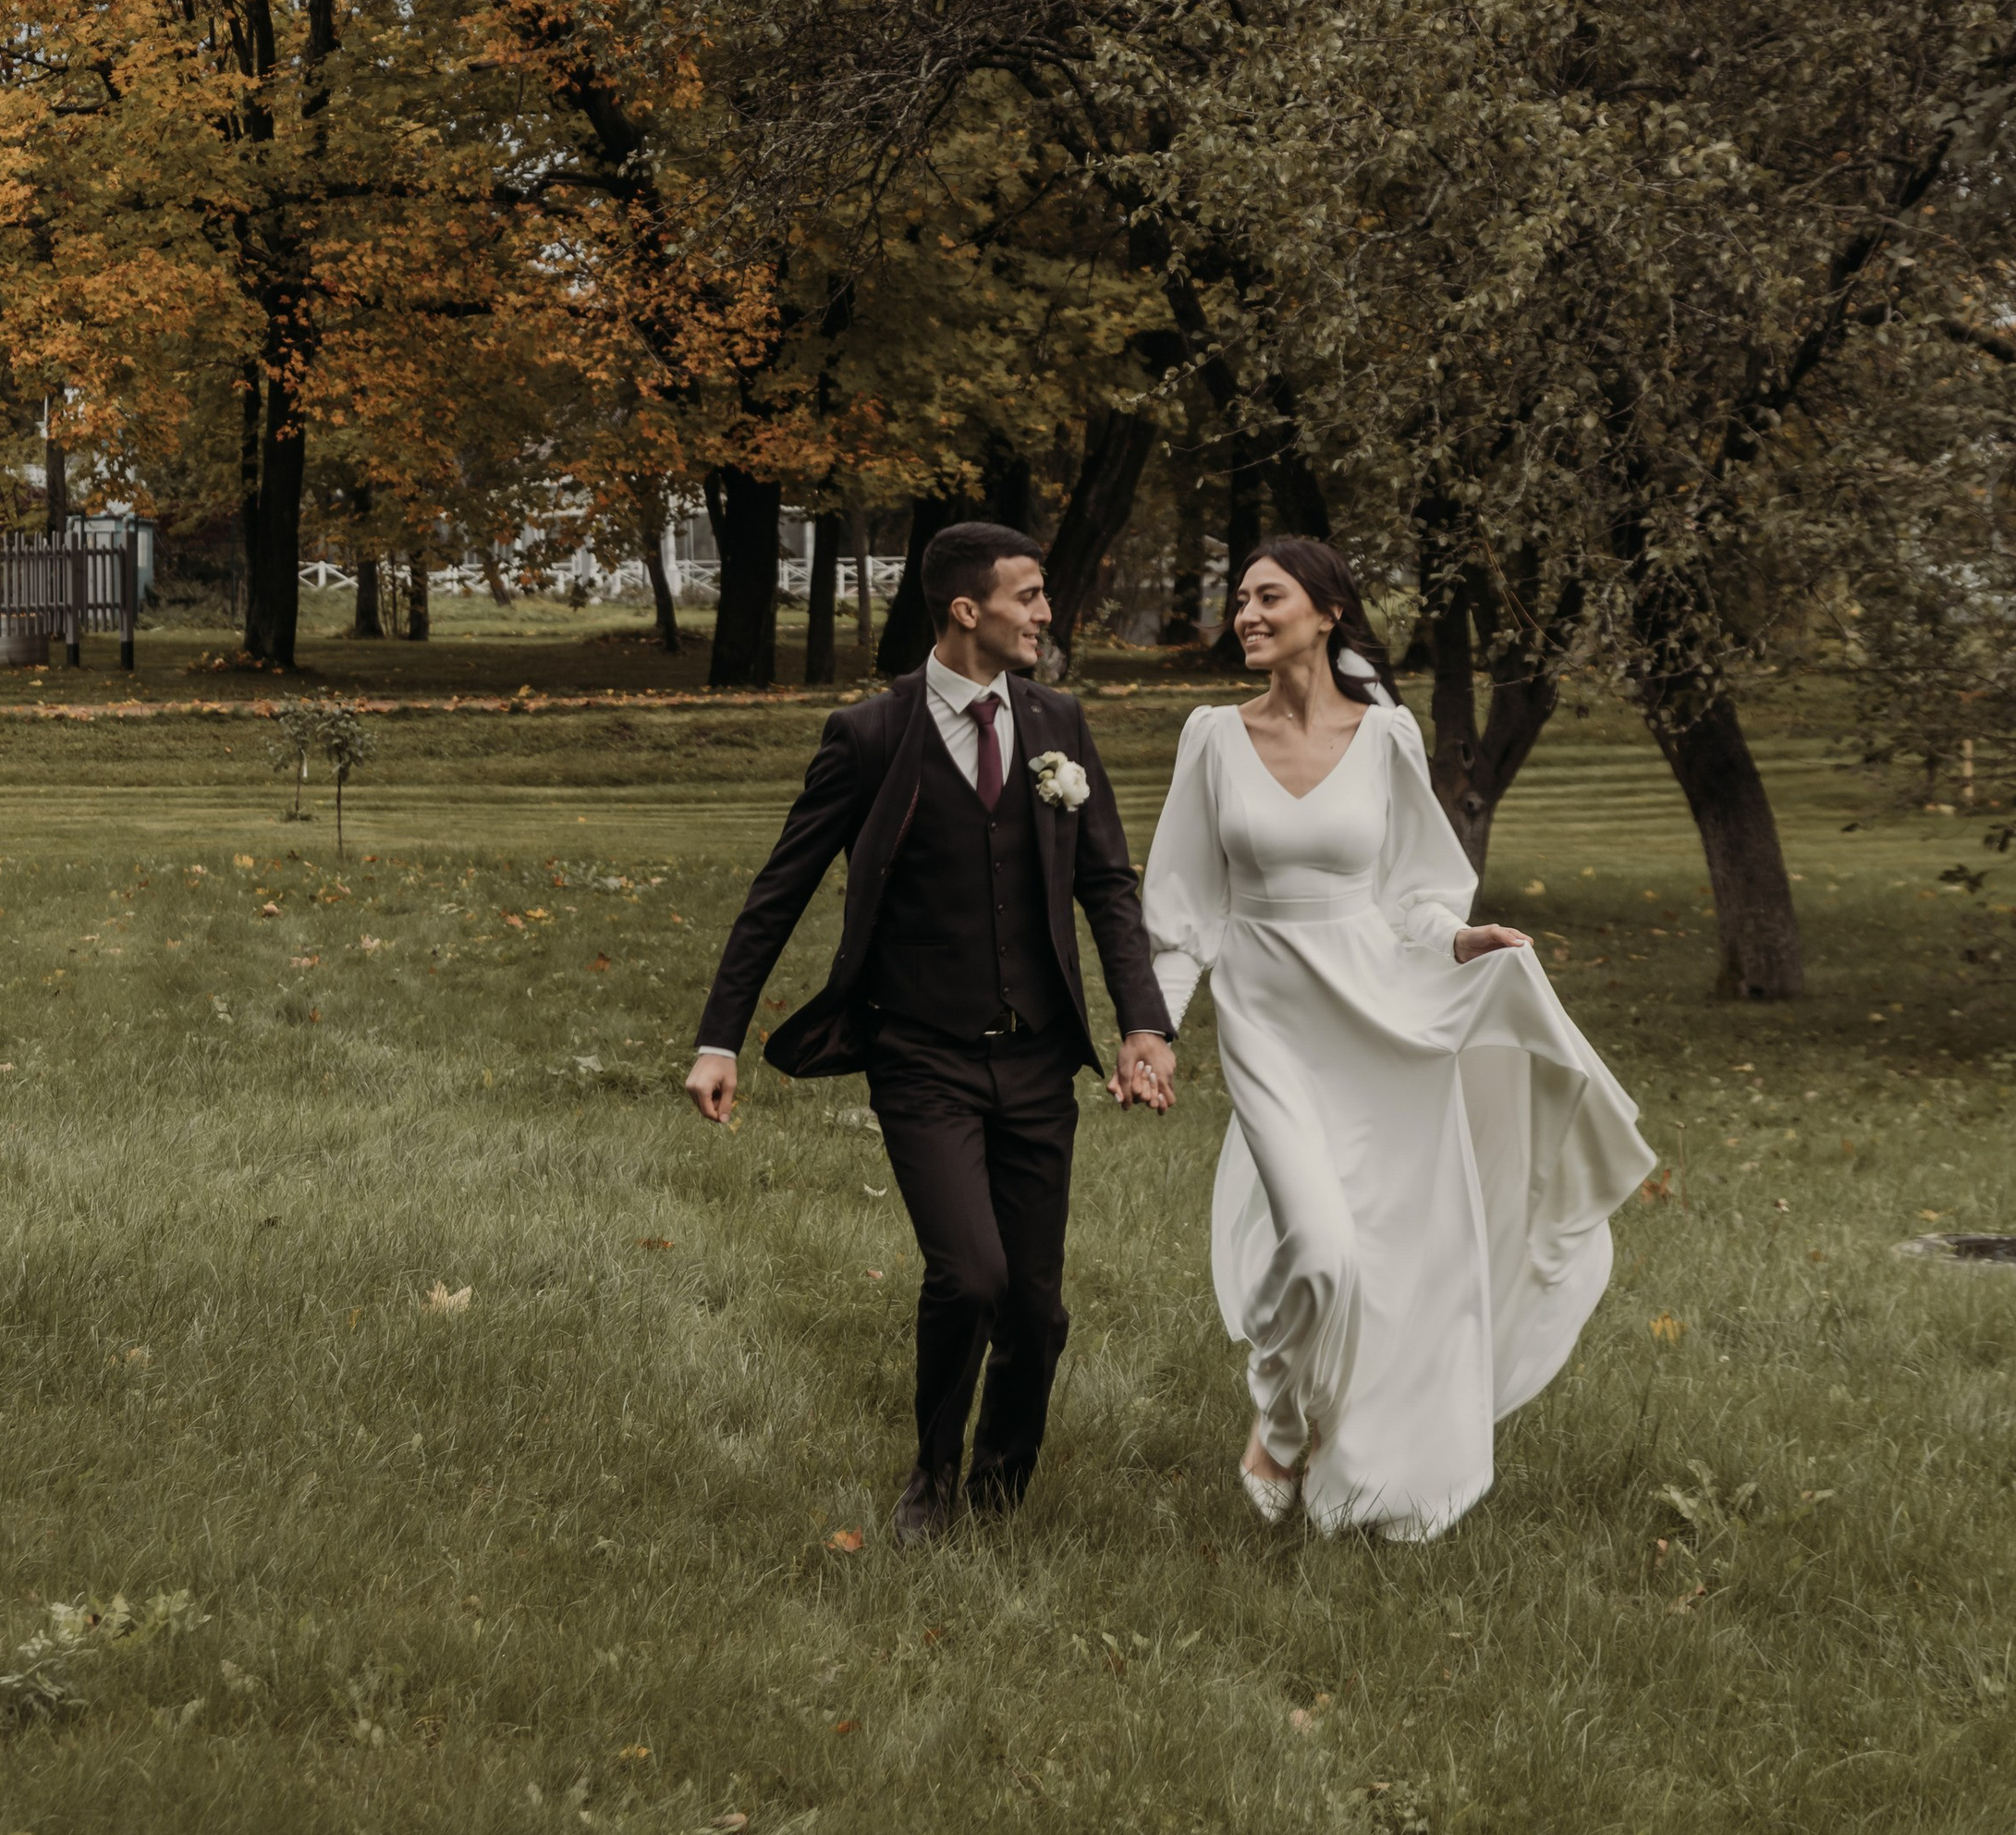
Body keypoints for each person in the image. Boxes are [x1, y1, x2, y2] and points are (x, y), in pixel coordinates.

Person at [1142, 537, 1653, 1540]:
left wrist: (1460, 938)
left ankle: (1362, 1454)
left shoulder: (1385, 736)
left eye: (1268, 596)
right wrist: (1154, 1029)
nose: (1246, 614)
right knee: (1319, 1248)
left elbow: (1415, 891)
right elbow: (1183, 909)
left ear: (1327, 611)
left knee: (1382, 1252)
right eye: (1240, 598)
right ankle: (1279, 1420)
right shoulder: (1211, 735)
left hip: (1376, 1016)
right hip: (1267, 1023)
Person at [685, 520, 1178, 1543]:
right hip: (921, 1055)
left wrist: (1142, 1021)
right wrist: (719, 1038)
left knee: (1036, 1308)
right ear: (967, 609)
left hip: (1037, 1055)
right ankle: (933, 1473)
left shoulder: (1057, 721)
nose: (1046, 613)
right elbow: (779, 889)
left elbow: (1105, 885)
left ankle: (1000, 1486)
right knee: (970, 1275)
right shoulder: (870, 734)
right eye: (1029, 596)